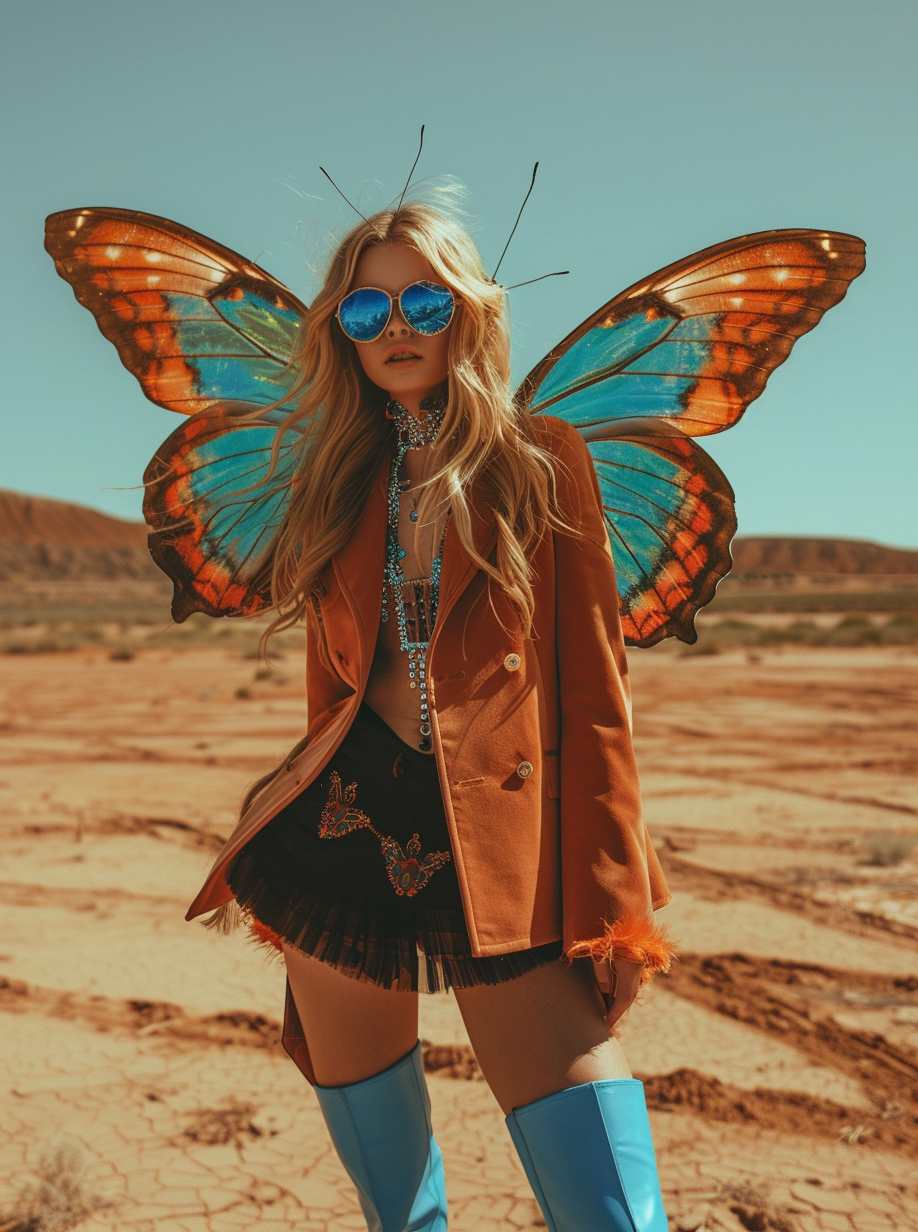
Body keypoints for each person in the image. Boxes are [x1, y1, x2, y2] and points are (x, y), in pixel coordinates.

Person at [185, 201, 674, 1232]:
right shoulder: (338, 479)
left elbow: (593, 697)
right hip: (342, 837)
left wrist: (616, 905)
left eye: (422, 299)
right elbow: (332, 692)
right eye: (366, 306)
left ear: (466, 312)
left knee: (611, 1211)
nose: (394, 324)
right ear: (338, 329)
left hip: (502, 849)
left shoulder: (541, 461)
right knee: (398, 1213)